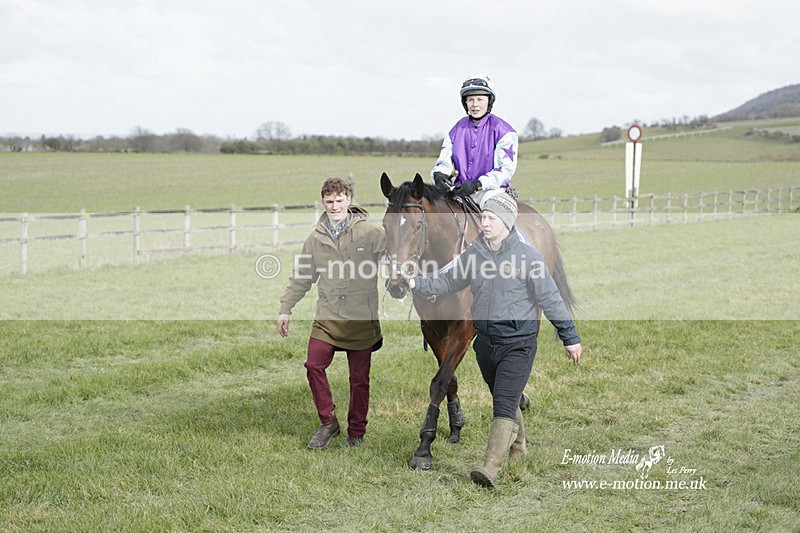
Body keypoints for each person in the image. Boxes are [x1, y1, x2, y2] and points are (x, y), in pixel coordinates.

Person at [407, 191, 582, 488]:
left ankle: (491, 466)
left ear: (506, 222)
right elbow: (449, 280)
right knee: (504, 394)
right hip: (485, 343)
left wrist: (570, 336)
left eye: (490, 218)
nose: (484, 223)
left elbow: (551, 299)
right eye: (484, 218)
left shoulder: (528, 257)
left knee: (502, 403)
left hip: (519, 341)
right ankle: (518, 447)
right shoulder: (475, 253)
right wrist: (416, 282)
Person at [278, 177, 385, 449]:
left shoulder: (371, 233)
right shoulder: (315, 239)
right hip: (328, 315)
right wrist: (285, 308)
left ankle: (356, 433)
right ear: (323, 203)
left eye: (339, 200)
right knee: (314, 365)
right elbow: (302, 277)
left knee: (359, 379)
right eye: (329, 201)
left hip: (361, 316)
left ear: (348, 200)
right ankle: (329, 422)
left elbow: (396, 257)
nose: (334, 205)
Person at [431, 75, 519, 205]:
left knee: (491, 218)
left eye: (480, 99)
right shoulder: (457, 129)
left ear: (489, 101)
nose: (475, 104)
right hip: (459, 191)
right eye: (470, 100)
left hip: (491, 192)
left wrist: (477, 184)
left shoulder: (504, 131)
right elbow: (444, 160)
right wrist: (439, 175)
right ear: (465, 103)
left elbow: (506, 169)